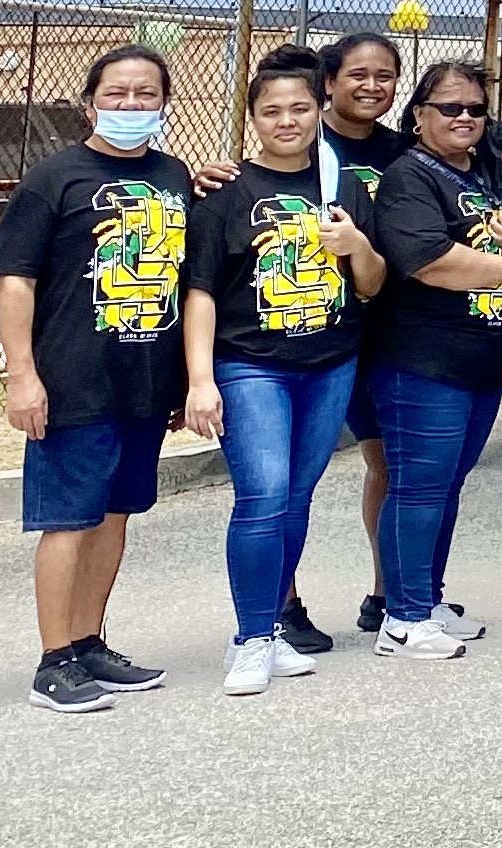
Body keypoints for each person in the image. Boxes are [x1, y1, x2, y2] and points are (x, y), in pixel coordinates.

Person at [0, 45, 195, 712]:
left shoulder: (173, 174)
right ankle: (53, 663)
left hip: (142, 381)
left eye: (146, 95)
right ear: (89, 103)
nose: (132, 106)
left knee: (114, 517)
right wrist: (23, 376)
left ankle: (89, 643)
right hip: (73, 380)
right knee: (68, 522)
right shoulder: (54, 178)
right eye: (117, 94)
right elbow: (15, 279)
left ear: (165, 103)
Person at [181, 46, 385, 695]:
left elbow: (373, 284)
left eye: (300, 107)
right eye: (273, 111)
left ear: (319, 110)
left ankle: (270, 630)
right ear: (253, 118)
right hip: (250, 365)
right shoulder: (225, 191)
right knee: (263, 495)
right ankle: (247, 640)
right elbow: (202, 290)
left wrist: (357, 246)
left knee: (296, 496)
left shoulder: (341, 186)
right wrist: (201, 379)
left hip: (329, 362)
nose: (288, 120)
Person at [362, 59, 502, 660]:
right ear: (418, 117)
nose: (464, 118)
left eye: (475, 110)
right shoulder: (409, 176)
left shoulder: (488, 174)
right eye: (449, 108)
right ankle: (401, 617)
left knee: (447, 485)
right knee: (418, 486)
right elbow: (427, 259)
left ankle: (427, 598)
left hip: (483, 357)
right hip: (423, 359)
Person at [290, 31, 407, 652]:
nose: (371, 85)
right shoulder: (302, 142)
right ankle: (279, 602)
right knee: (292, 471)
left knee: (387, 461)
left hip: (393, 326)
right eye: (357, 74)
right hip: (316, 326)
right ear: (328, 83)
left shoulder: (407, 150)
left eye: (385, 75)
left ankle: (390, 593)